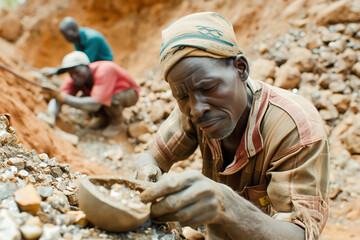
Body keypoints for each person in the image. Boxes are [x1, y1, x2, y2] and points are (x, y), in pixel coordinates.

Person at [132, 12, 329, 240]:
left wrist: (227, 204)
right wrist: (148, 173)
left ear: (241, 68)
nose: (196, 108)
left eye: (208, 88)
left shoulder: (295, 128)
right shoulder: (196, 108)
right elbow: (150, 158)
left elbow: (299, 235)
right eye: (182, 96)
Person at [41, 51, 139, 138]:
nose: (74, 76)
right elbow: (58, 97)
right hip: (104, 95)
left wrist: (63, 98)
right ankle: (105, 118)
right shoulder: (75, 79)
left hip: (129, 93)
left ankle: (117, 123)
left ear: (87, 66)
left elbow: (94, 105)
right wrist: (50, 115)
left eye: (76, 72)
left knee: (111, 99)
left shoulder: (104, 70)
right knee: (83, 98)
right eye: (70, 73)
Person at [41, 16, 113, 76]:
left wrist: (57, 71)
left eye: (66, 36)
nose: (66, 39)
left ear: (74, 30)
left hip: (105, 69)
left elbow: (84, 62)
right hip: (93, 67)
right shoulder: (77, 39)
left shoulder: (92, 38)